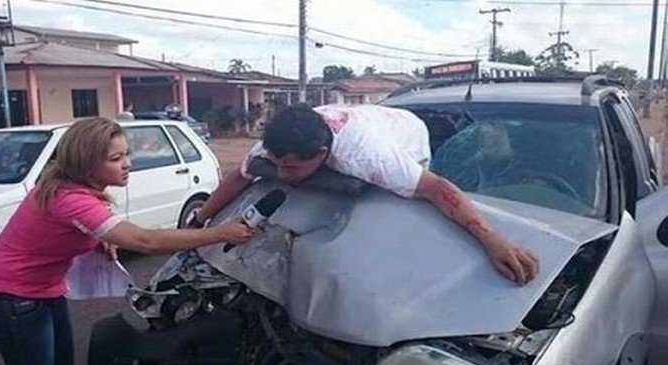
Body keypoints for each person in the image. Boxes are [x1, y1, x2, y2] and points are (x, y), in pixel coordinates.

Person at [0, 117, 253, 365]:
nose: (127, 164)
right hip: (12, 301)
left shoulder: (68, 187)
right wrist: (221, 233)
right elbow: (145, 241)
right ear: (86, 163)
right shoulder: (70, 199)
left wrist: (99, 240)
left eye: (126, 154)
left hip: (41, 294)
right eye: (115, 158)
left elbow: (56, 232)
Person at [192, 104, 539, 285]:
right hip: (366, 121)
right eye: (278, 165)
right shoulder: (276, 146)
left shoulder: (369, 158)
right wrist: (201, 219)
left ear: (323, 154)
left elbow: (438, 189)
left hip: (407, 133)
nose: (282, 174)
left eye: (293, 168)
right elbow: (237, 178)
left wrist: (493, 240)